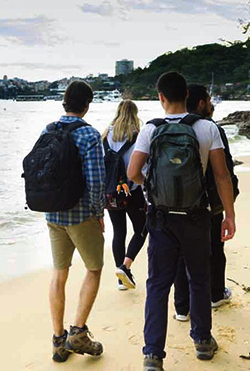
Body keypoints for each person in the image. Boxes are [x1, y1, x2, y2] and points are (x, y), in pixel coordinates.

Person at [127, 72, 236, 371]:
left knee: (158, 285)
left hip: (161, 218)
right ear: (187, 94)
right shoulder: (206, 128)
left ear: (160, 97)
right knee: (199, 279)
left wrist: (151, 186)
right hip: (196, 217)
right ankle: (202, 341)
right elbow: (221, 174)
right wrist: (229, 214)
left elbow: (132, 172)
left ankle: (153, 355)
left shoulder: (150, 130)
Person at [43, 80, 106, 362]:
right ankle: (78, 333)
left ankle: (58, 340)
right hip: (80, 215)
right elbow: (96, 182)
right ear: (86, 106)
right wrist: (99, 214)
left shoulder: (48, 130)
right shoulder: (89, 135)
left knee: (59, 272)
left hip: (53, 213)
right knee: (94, 269)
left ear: (64, 102)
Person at [173, 85, 239, 322]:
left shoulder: (170, 127)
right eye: (209, 100)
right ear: (201, 103)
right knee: (214, 250)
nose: (211, 104)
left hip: (176, 202)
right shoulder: (211, 129)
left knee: (180, 254)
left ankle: (182, 307)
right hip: (208, 203)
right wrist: (229, 204)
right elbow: (224, 172)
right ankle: (215, 294)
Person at [101, 99, 147, 291]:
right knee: (143, 228)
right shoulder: (138, 136)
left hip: (111, 193)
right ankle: (125, 266)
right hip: (132, 191)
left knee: (119, 232)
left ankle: (121, 280)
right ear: (135, 114)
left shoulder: (105, 136)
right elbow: (143, 166)